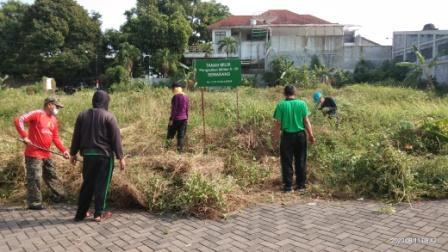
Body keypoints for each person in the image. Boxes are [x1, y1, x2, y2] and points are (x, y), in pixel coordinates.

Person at [70, 90, 125, 222]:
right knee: (102, 185)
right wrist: (121, 157)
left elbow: (76, 136)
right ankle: (98, 213)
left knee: (87, 184)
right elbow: (115, 139)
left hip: (88, 156)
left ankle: (80, 213)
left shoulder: (82, 115)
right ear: (106, 101)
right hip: (104, 156)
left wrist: (73, 153)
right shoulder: (109, 116)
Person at [14, 97, 70, 210]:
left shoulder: (54, 120)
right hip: (34, 153)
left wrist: (64, 150)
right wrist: (24, 136)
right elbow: (18, 120)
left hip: (46, 154)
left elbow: (56, 138)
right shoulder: (37, 114)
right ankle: (34, 203)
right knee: (35, 178)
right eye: (57, 106)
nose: (58, 109)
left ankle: (59, 196)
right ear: (49, 105)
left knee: (52, 175)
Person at [273, 85, 316, 193]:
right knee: (301, 160)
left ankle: (288, 187)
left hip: (287, 136)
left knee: (286, 161)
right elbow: (306, 121)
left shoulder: (281, 105)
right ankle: (301, 186)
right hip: (300, 136)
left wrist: (276, 138)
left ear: (284, 93)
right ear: (295, 93)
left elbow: (278, 124)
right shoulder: (302, 104)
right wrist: (311, 135)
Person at [166, 82, 189, 152]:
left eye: (172, 89)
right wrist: (187, 118)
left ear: (174, 89)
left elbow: (174, 110)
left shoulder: (175, 97)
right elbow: (187, 108)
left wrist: (171, 119)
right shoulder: (186, 97)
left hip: (176, 119)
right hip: (184, 119)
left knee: (170, 135)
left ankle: (166, 149)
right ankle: (180, 152)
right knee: (181, 136)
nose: (172, 90)